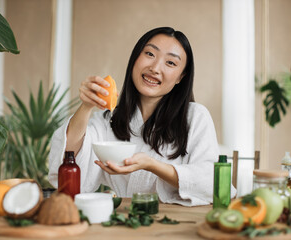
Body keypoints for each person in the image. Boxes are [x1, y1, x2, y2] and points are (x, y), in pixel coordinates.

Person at [48, 27, 236, 206]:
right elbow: (68, 166)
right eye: (149, 54)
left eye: (170, 63)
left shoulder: (195, 117)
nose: (155, 67)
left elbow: (213, 182)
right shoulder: (108, 119)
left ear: (180, 77)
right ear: (135, 59)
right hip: (123, 222)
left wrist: (152, 165)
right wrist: (86, 106)